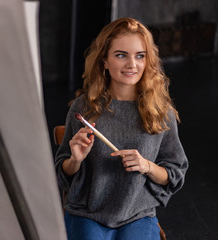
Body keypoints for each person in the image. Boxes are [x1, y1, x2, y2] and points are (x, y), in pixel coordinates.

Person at [54, 17, 188, 240]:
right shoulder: (83, 107)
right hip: (87, 214)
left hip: (137, 214)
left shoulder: (160, 111)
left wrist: (146, 166)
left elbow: (174, 174)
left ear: (147, 61)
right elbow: (62, 176)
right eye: (120, 55)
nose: (131, 64)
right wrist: (76, 159)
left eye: (139, 56)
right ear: (104, 60)